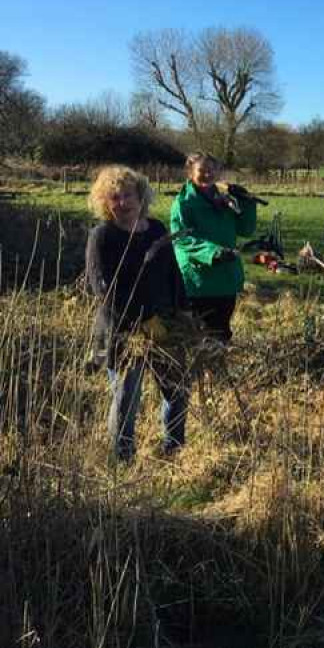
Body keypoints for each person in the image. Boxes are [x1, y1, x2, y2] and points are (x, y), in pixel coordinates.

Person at [85, 165, 189, 461]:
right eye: (114, 198)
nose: (123, 203)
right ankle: (123, 458)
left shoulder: (155, 230)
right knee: (127, 398)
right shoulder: (102, 236)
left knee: (177, 390)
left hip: (165, 327)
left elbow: (173, 272)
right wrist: (141, 321)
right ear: (104, 202)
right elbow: (103, 289)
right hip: (122, 331)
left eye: (127, 195)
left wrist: (183, 311)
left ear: (140, 196)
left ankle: (174, 450)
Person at [170, 153, 258, 343]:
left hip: (226, 280)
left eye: (212, 170)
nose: (208, 174)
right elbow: (182, 239)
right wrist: (213, 253)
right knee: (198, 338)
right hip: (198, 282)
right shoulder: (184, 203)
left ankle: (217, 372)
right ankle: (200, 372)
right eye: (202, 170)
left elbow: (246, 230)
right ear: (191, 173)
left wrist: (247, 203)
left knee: (222, 334)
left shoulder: (225, 200)